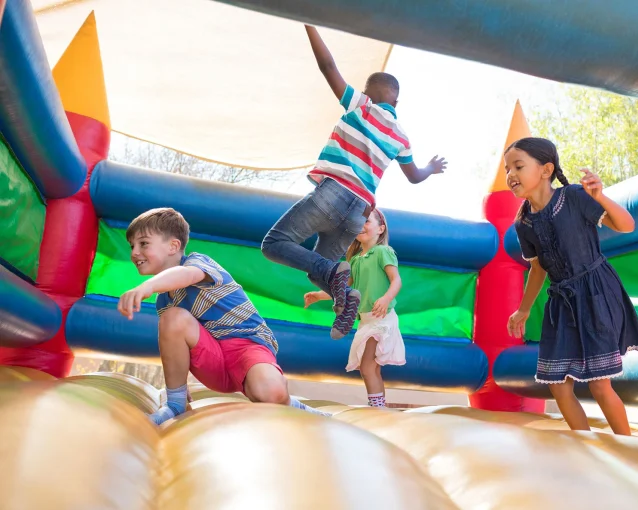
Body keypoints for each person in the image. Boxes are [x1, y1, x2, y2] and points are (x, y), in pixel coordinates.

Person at [261, 25, 446, 341]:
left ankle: (337, 282)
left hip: (333, 193)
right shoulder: (401, 136)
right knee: (320, 268)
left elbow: (328, 67)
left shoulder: (361, 105)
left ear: (368, 93)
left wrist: (309, 23)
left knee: (275, 244)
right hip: (360, 211)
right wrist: (429, 167)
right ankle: (346, 298)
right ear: (396, 104)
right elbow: (414, 177)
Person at [117, 207, 329, 424]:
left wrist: (148, 286)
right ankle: (175, 404)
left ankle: (291, 403)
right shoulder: (165, 301)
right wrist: (178, 386)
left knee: (270, 393)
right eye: (132, 246)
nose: (134, 252)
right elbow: (178, 346)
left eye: (143, 244)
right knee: (173, 318)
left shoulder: (198, 263)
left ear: (173, 246)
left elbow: (186, 275)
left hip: (247, 347)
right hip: (214, 363)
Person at [504, 137, 638, 436]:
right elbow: (538, 267)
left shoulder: (573, 197)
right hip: (562, 303)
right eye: (507, 169)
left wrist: (600, 197)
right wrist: (523, 309)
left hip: (595, 293)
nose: (510, 174)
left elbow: (626, 225)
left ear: (546, 170)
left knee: (599, 383)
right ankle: (585, 446)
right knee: (558, 386)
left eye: (518, 166)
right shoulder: (524, 223)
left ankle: (631, 449)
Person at [304, 209, 404, 408]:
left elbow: (396, 280)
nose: (362, 226)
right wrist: (318, 295)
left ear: (380, 229)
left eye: (367, 222)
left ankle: (378, 407)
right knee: (369, 368)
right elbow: (344, 289)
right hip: (366, 320)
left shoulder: (383, 252)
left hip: (381, 318)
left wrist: (385, 298)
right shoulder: (356, 260)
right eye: (359, 223)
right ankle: (379, 405)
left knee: (368, 366)